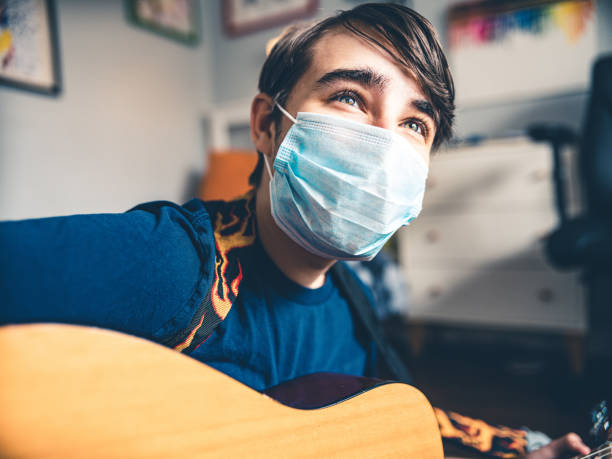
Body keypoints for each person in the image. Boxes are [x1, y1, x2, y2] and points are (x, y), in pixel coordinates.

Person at [0, 3, 590, 458]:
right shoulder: (177, 264)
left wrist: (519, 448)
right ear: (266, 126)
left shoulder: (355, 310)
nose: (385, 143)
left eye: (415, 123)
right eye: (350, 99)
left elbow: (391, 415)